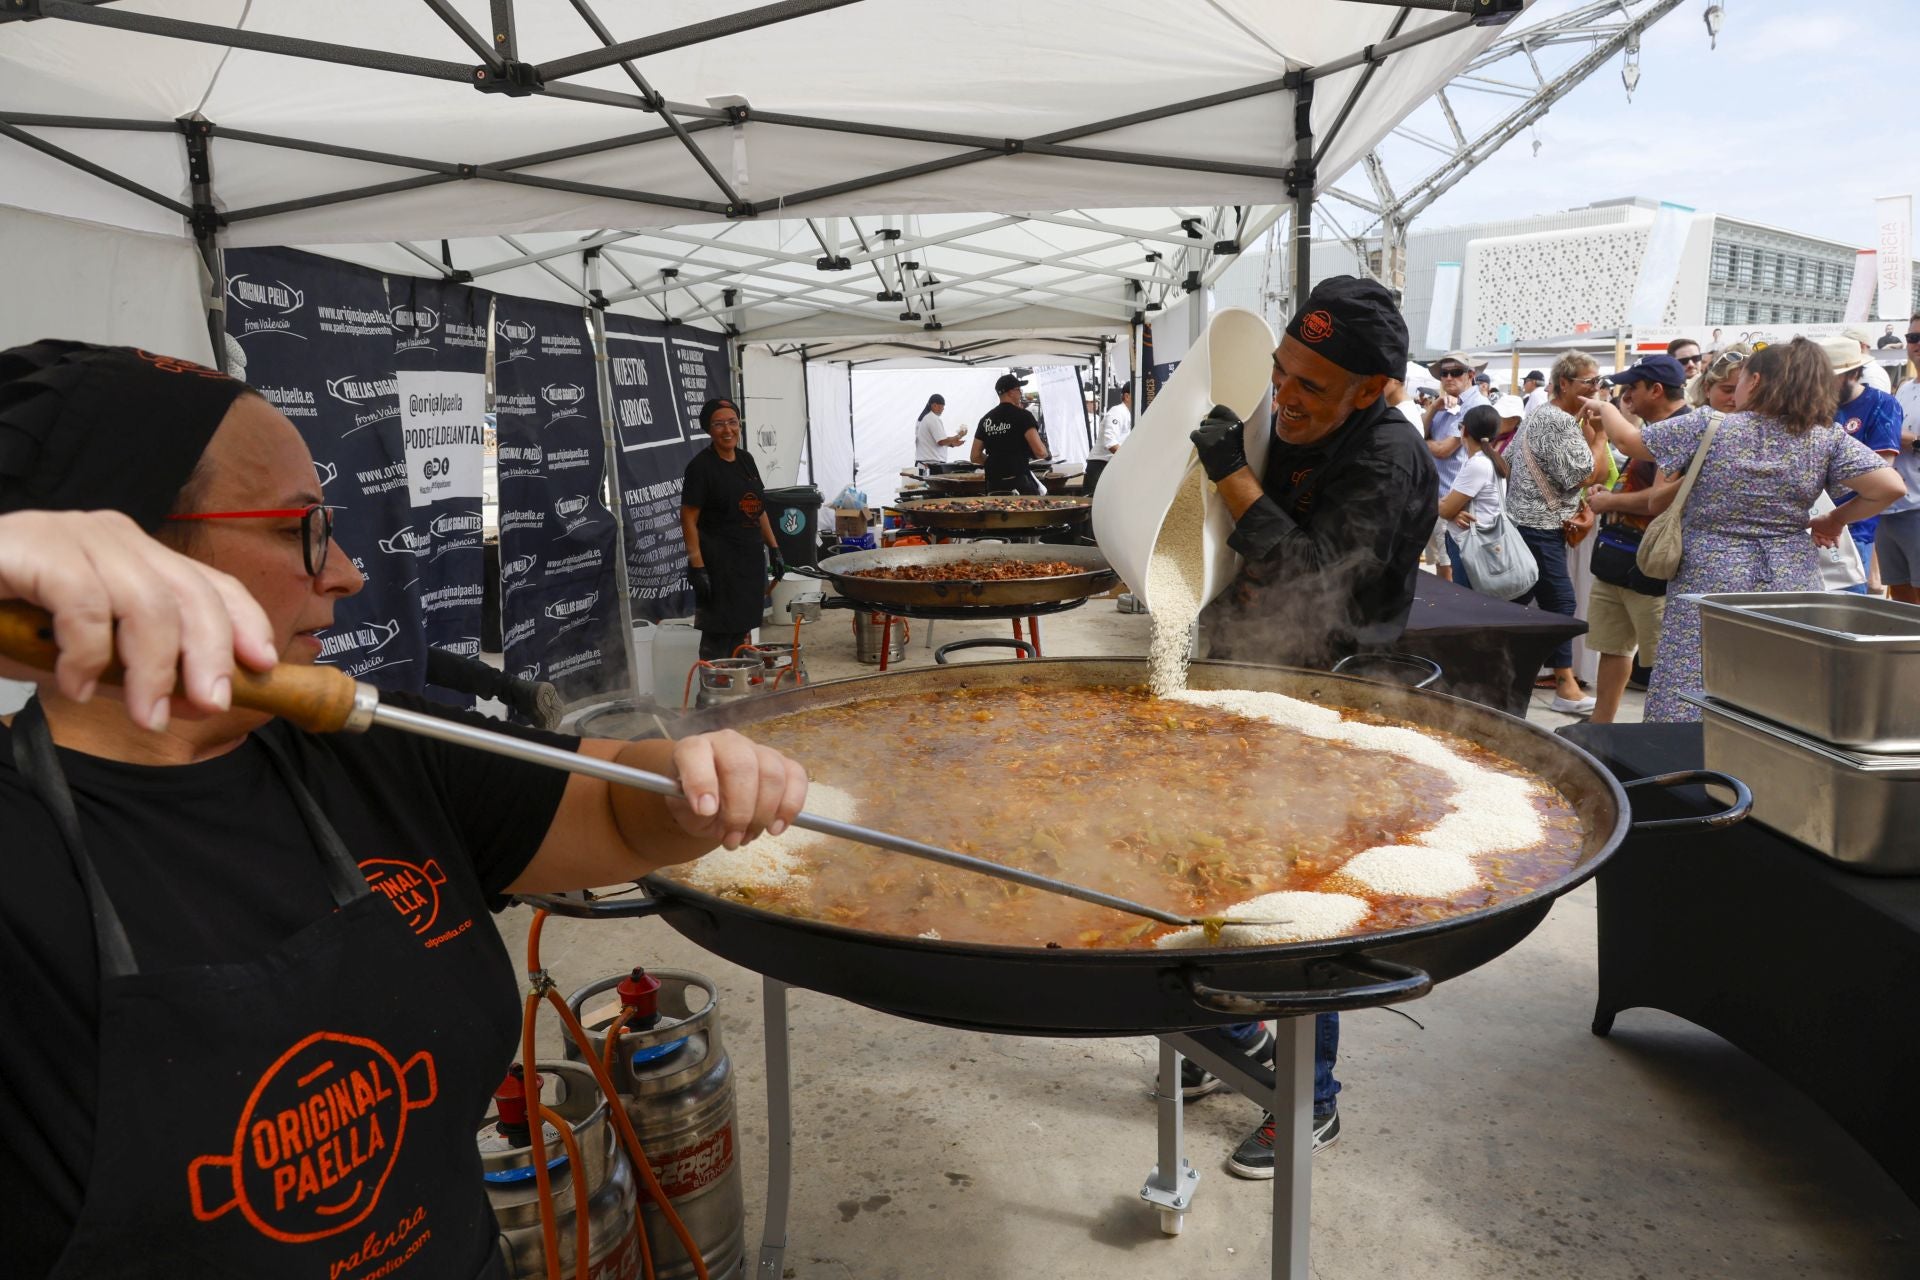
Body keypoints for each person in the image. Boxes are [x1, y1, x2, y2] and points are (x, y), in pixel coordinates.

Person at [0, 340, 810, 1279]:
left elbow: (625, 816)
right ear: (124, 558)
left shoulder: (370, 751)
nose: (344, 571)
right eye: (302, 529)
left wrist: (695, 779)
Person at [1186, 275, 1438, 1175]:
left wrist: (1234, 477)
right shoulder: (1283, 419)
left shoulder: (1388, 457)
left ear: (1371, 391)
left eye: (1311, 388)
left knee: (1304, 905)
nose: (1286, 399)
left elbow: (1314, 579)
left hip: (1331, 700)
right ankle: (1241, 1029)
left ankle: (1308, 1099)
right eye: (1281, 374)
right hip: (1242, 680)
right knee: (1217, 863)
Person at [1586, 337, 1904, 722]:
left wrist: (1604, 406)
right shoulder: (1825, 437)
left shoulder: (1712, 425)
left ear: (1754, 382)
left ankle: (1683, 767)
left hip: (1710, 575)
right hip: (1790, 580)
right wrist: (1834, 519)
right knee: (1778, 680)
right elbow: (1889, 488)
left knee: (1693, 674)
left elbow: (1629, 441)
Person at [1505, 352, 1612, 716]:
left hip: (1529, 524)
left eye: (1599, 382)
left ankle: (1505, 673)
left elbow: (1510, 461)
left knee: (1522, 603)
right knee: (1561, 603)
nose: (1597, 389)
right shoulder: (1559, 422)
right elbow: (1588, 475)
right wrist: (1598, 437)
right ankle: (1565, 685)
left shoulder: (1542, 414)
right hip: (1540, 528)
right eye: (1590, 382)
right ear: (1564, 383)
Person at [1584, 356, 1689, 724]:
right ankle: (1601, 726)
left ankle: (1657, 734)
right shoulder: (1654, 428)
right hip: (1620, 555)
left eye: (1634, 387)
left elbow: (1657, 500)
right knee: (1614, 648)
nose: (1627, 394)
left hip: (1653, 562)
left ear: (1656, 390)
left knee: (1661, 660)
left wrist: (1608, 501)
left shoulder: (1681, 428)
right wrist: (1608, 495)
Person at [682, 397, 785, 660]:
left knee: (742, 631)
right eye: (719, 424)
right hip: (718, 565)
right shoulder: (700, 468)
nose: (727, 430)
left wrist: (774, 548)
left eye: (732, 422)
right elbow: (688, 519)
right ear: (708, 429)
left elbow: (757, 508)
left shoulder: (746, 460)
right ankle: (712, 697)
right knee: (717, 636)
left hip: (748, 562)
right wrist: (697, 566)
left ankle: (739, 693)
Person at [1824, 334, 1904, 589]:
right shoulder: (1815, 405)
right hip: (1814, 522)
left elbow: (1883, 468)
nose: (1821, 383)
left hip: (1853, 526)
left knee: (1845, 611)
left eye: (1829, 376)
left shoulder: (1882, 404)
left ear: (1852, 373)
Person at [1421, 351, 1487, 582]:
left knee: (1450, 570)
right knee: (1443, 564)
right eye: (1444, 373)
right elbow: (1423, 434)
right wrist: (1433, 407)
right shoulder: (1446, 404)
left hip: (1456, 502)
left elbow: (1443, 449)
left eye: (1455, 372)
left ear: (1470, 374)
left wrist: (1420, 442)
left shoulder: (1473, 405)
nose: (1448, 377)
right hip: (1440, 498)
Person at [1438, 405, 1511, 594]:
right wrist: (1452, 511)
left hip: (1471, 545)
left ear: (1465, 430)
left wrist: (1444, 507)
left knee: (1467, 602)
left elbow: (1446, 508)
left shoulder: (1478, 464)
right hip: (1481, 541)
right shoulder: (1490, 459)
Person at [1879, 316, 1920, 605]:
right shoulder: (1905, 388)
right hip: (1890, 508)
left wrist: (1911, 441)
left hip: (1918, 509)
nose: (1916, 344)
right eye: (1913, 337)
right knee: (1901, 601)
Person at [972, 374, 1048, 494]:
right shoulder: (1024, 416)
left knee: (996, 511)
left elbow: (975, 456)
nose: (1020, 393)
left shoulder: (986, 419)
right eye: (1019, 390)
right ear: (1011, 392)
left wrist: (997, 463)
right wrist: (1046, 453)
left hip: (993, 483)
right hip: (1019, 482)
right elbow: (1040, 452)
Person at [1085, 385, 1132, 495]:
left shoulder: (1130, 414)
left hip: (1112, 465)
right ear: (1127, 396)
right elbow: (1110, 442)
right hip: (1099, 465)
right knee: (1091, 505)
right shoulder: (1117, 412)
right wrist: (1130, 459)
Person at [914, 393, 965, 465]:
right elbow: (941, 441)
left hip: (923, 462)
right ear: (934, 405)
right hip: (931, 463)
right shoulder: (932, 418)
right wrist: (958, 436)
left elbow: (932, 441)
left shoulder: (923, 419)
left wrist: (951, 444)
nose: (943, 409)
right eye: (942, 406)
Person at [1844, 326, 1894, 393]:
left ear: (1861, 346)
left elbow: (1872, 402)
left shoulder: (1872, 375)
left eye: (1845, 346)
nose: (1843, 350)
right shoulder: (1861, 371)